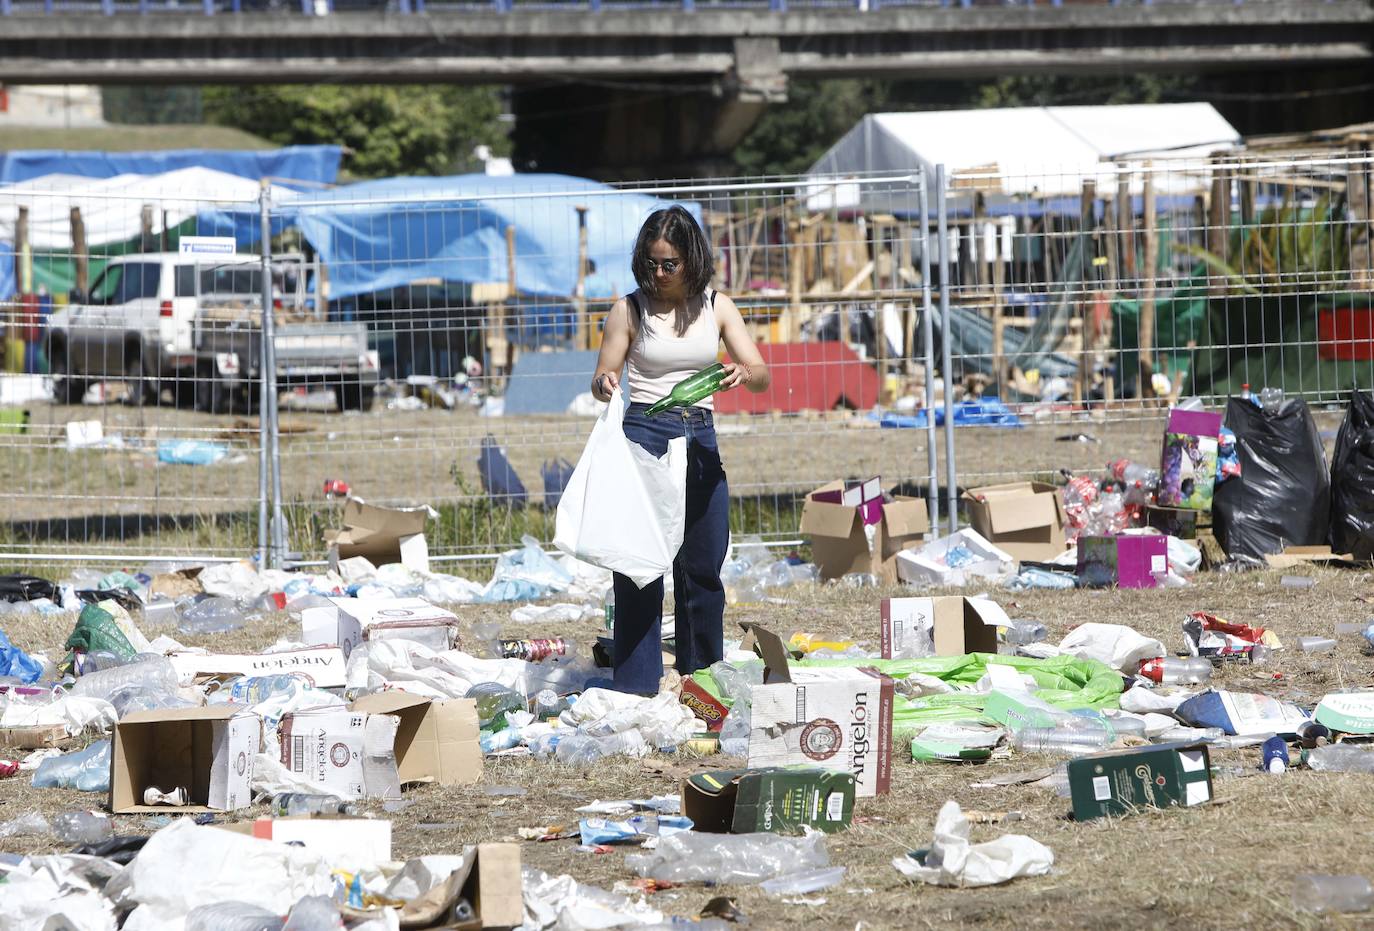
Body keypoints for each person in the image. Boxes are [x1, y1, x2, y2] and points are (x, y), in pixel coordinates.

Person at [590, 205, 770, 695]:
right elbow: (602, 375)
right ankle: (638, 681)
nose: (660, 274)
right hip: (646, 434)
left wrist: (745, 373)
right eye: (651, 264)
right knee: (640, 564)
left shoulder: (718, 306)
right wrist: (605, 383)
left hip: (700, 435)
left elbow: (761, 373)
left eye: (670, 264)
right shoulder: (628, 309)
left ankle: (703, 677)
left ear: (693, 259)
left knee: (703, 562)